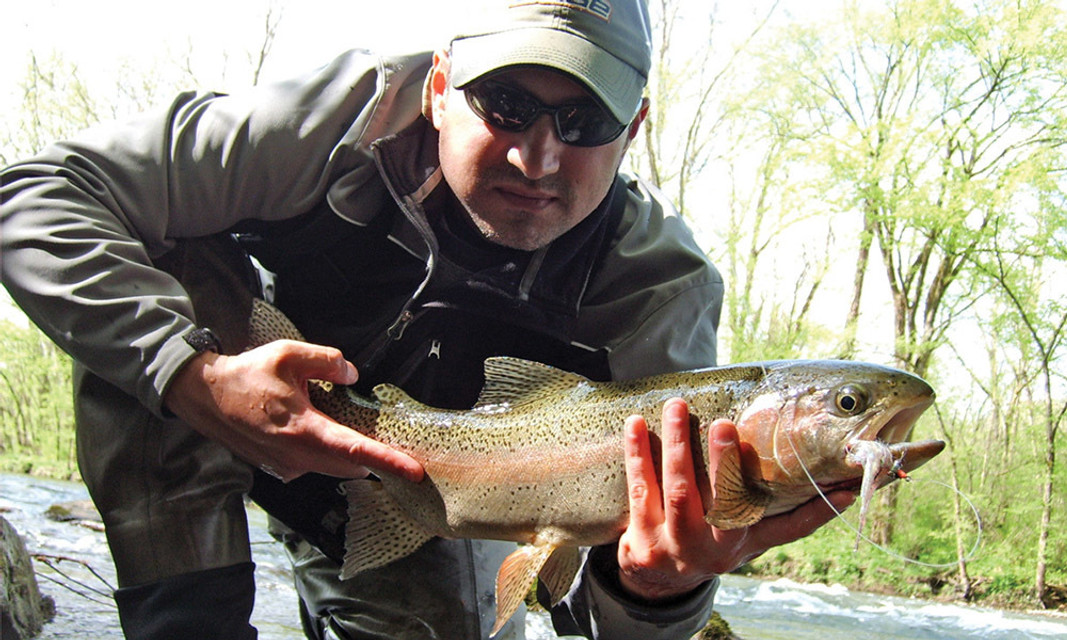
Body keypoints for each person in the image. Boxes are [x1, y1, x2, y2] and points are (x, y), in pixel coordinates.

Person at [0, 1, 855, 638]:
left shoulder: (656, 291)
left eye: (585, 120)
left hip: (433, 489)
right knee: (157, 275)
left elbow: (602, 612)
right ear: (440, 88)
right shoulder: (333, 123)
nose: (537, 156)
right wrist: (191, 376)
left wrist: (656, 591)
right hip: (213, 395)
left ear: (634, 126)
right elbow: (38, 195)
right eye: (507, 105)